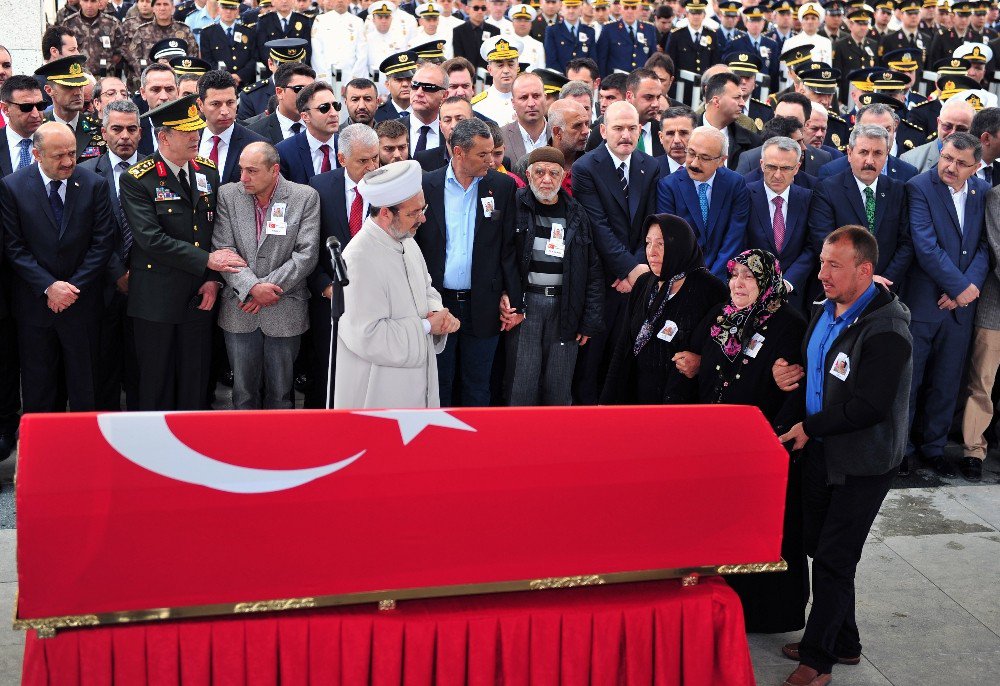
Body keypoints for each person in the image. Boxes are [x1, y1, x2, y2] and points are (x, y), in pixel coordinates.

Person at [776, 226, 912, 686]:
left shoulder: (888, 328)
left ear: (866, 271)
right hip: (820, 452)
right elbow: (809, 368)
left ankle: (818, 660)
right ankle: (843, 640)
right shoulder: (822, 309)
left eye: (834, 265)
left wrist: (809, 427)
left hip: (863, 462)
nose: (822, 273)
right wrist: (785, 373)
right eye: (822, 262)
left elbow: (870, 407)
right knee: (821, 549)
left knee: (834, 558)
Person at [678, 249, 808, 633]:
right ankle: (721, 605)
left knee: (759, 531)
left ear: (767, 282)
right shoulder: (721, 315)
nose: (738, 284)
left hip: (759, 446)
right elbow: (697, 355)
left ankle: (762, 615)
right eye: (735, 275)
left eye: (749, 278)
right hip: (714, 444)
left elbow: (796, 386)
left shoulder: (789, 322)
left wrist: (775, 440)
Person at [120, 94, 248, 411]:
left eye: (197, 129)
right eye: (186, 131)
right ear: (163, 136)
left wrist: (212, 278)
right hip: (156, 299)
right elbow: (150, 238)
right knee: (157, 383)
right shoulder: (138, 179)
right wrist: (207, 260)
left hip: (198, 295)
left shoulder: (207, 171)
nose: (196, 137)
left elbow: (216, 230)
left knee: (196, 380)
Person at [0, 121, 114, 413]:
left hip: (82, 304)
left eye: (72, 154)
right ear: (37, 154)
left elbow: (102, 244)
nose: (67, 162)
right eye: (58, 156)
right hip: (36, 308)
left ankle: (86, 451)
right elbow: (14, 247)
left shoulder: (94, 185)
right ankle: (46, 453)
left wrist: (71, 288)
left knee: (85, 388)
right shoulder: (12, 187)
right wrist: (49, 287)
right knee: (40, 389)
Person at [899, 132, 990, 477]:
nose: (950, 167)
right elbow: (925, 245)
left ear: (976, 166)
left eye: (960, 163)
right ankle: (903, 449)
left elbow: (984, 245)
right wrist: (958, 286)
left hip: (960, 308)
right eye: (947, 158)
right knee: (912, 380)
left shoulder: (981, 192)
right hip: (924, 303)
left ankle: (933, 449)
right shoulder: (919, 186)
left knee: (947, 381)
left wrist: (967, 289)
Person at [335, 160, 460, 408]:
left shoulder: (406, 239)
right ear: (385, 213)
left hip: (414, 377)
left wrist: (437, 313)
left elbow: (426, 287)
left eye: (422, 208)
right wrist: (425, 326)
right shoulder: (359, 257)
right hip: (379, 387)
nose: (423, 219)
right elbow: (366, 335)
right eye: (414, 213)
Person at [415, 117, 521, 407]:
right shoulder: (427, 184)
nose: (491, 160)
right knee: (440, 385)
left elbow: (508, 247)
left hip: (483, 303)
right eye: (483, 154)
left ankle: (476, 449)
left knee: (478, 386)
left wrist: (512, 297)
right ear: (458, 152)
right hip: (438, 302)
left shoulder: (501, 187)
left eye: (493, 152)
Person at [212, 141, 319, 409]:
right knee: (243, 393)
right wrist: (251, 287)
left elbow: (306, 254)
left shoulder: (304, 197)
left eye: (252, 171)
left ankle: (281, 448)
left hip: (285, 308)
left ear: (274, 170)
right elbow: (223, 249)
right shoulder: (228, 195)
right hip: (240, 308)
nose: (243, 178)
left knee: (282, 393)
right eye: (241, 170)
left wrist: (265, 290)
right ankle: (243, 448)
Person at [570, 100, 660, 404]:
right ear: (603, 130)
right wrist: (629, 269)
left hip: (637, 282)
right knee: (591, 366)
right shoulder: (586, 167)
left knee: (625, 366)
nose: (625, 135)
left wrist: (636, 270)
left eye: (632, 128)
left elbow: (652, 223)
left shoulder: (650, 166)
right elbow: (597, 226)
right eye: (618, 128)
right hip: (601, 281)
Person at [506, 147, 604, 405]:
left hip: (566, 307)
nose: (546, 179)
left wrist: (589, 320)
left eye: (553, 173)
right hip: (525, 307)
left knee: (559, 387)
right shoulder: (515, 204)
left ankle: (555, 442)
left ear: (564, 176)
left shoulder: (576, 212)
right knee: (522, 386)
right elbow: (501, 257)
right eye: (539, 172)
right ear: (528, 174)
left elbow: (592, 270)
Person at [600, 213, 728, 403]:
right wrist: (607, 400)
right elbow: (624, 344)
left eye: (661, 244)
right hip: (636, 395)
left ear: (680, 245)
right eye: (648, 243)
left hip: (681, 403)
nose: (652, 252)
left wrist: (703, 363)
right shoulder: (644, 282)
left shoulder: (710, 289)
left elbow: (727, 349)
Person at [305, 123, 380, 408]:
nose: (372, 166)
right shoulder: (319, 187)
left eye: (375, 158)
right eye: (363, 160)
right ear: (342, 159)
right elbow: (309, 246)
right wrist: (325, 286)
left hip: (374, 302)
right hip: (330, 303)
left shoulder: (387, 189)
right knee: (328, 374)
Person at [78, 99, 143, 411]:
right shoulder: (85, 173)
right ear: (103, 133)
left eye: (132, 129)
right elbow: (86, 233)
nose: (125, 136)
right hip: (102, 289)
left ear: (141, 133)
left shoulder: (156, 169)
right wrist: (117, 272)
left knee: (142, 373)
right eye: (117, 129)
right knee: (103, 374)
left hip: (147, 287)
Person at [809, 123, 912, 292]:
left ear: (887, 155)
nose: (870, 161)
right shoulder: (828, 190)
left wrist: (883, 281)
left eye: (878, 153)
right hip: (841, 289)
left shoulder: (898, 190)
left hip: (886, 290)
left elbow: (906, 243)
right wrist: (865, 279)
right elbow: (824, 240)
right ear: (849, 153)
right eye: (863, 152)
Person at [657, 125, 749, 280]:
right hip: (683, 277)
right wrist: (695, 279)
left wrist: (714, 279)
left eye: (705, 158)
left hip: (723, 277)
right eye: (691, 153)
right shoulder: (668, 186)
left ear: (721, 161)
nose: (694, 163)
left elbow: (735, 237)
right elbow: (672, 239)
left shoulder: (735, 184)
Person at [744, 137, 817, 303]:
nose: (777, 175)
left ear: (797, 168)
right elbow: (739, 240)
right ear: (762, 164)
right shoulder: (745, 194)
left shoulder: (808, 198)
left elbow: (811, 246)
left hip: (793, 294)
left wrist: (789, 281)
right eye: (771, 167)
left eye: (785, 168)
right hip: (751, 291)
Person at [197, 70, 268, 185]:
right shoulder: (187, 141)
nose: (225, 111)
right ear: (200, 104)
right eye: (216, 104)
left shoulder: (256, 144)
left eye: (230, 103)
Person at [36, 55, 106, 163]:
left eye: (80, 86)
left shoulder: (98, 128)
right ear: (49, 90)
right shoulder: (38, 127)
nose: (77, 92)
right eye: (69, 87)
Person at [276, 80, 341, 183]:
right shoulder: (284, 152)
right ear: (305, 116)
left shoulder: (349, 146)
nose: (334, 113)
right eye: (324, 108)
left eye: (336, 106)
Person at [247, 61, 315, 145]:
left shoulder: (323, 126)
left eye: (311, 90)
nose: (306, 96)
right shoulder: (254, 133)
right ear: (279, 92)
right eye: (299, 89)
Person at [198, 0, 259, 89]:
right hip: (218, 84)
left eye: (232, 8)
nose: (228, 11)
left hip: (245, 84)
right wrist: (225, 77)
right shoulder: (207, 33)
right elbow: (207, 60)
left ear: (237, 11)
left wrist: (239, 76)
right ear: (218, 10)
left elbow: (255, 58)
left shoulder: (248, 32)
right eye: (225, 8)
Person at [309, 0, 368, 86]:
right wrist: (325, 81)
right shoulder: (321, 20)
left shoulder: (358, 22)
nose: (340, 1)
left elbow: (362, 55)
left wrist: (352, 82)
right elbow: (316, 54)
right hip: (327, 77)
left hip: (350, 78)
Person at [499, 72, 548, 166]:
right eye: (524, 97)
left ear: (545, 98)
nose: (531, 103)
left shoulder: (559, 134)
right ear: (513, 103)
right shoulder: (500, 137)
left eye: (536, 96)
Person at [451, 0, 501, 71]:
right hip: (467, 74)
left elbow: (496, 58)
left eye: (483, 8)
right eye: (476, 8)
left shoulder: (494, 31)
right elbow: (459, 58)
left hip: (489, 74)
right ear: (468, 9)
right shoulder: (458, 31)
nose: (480, 11)